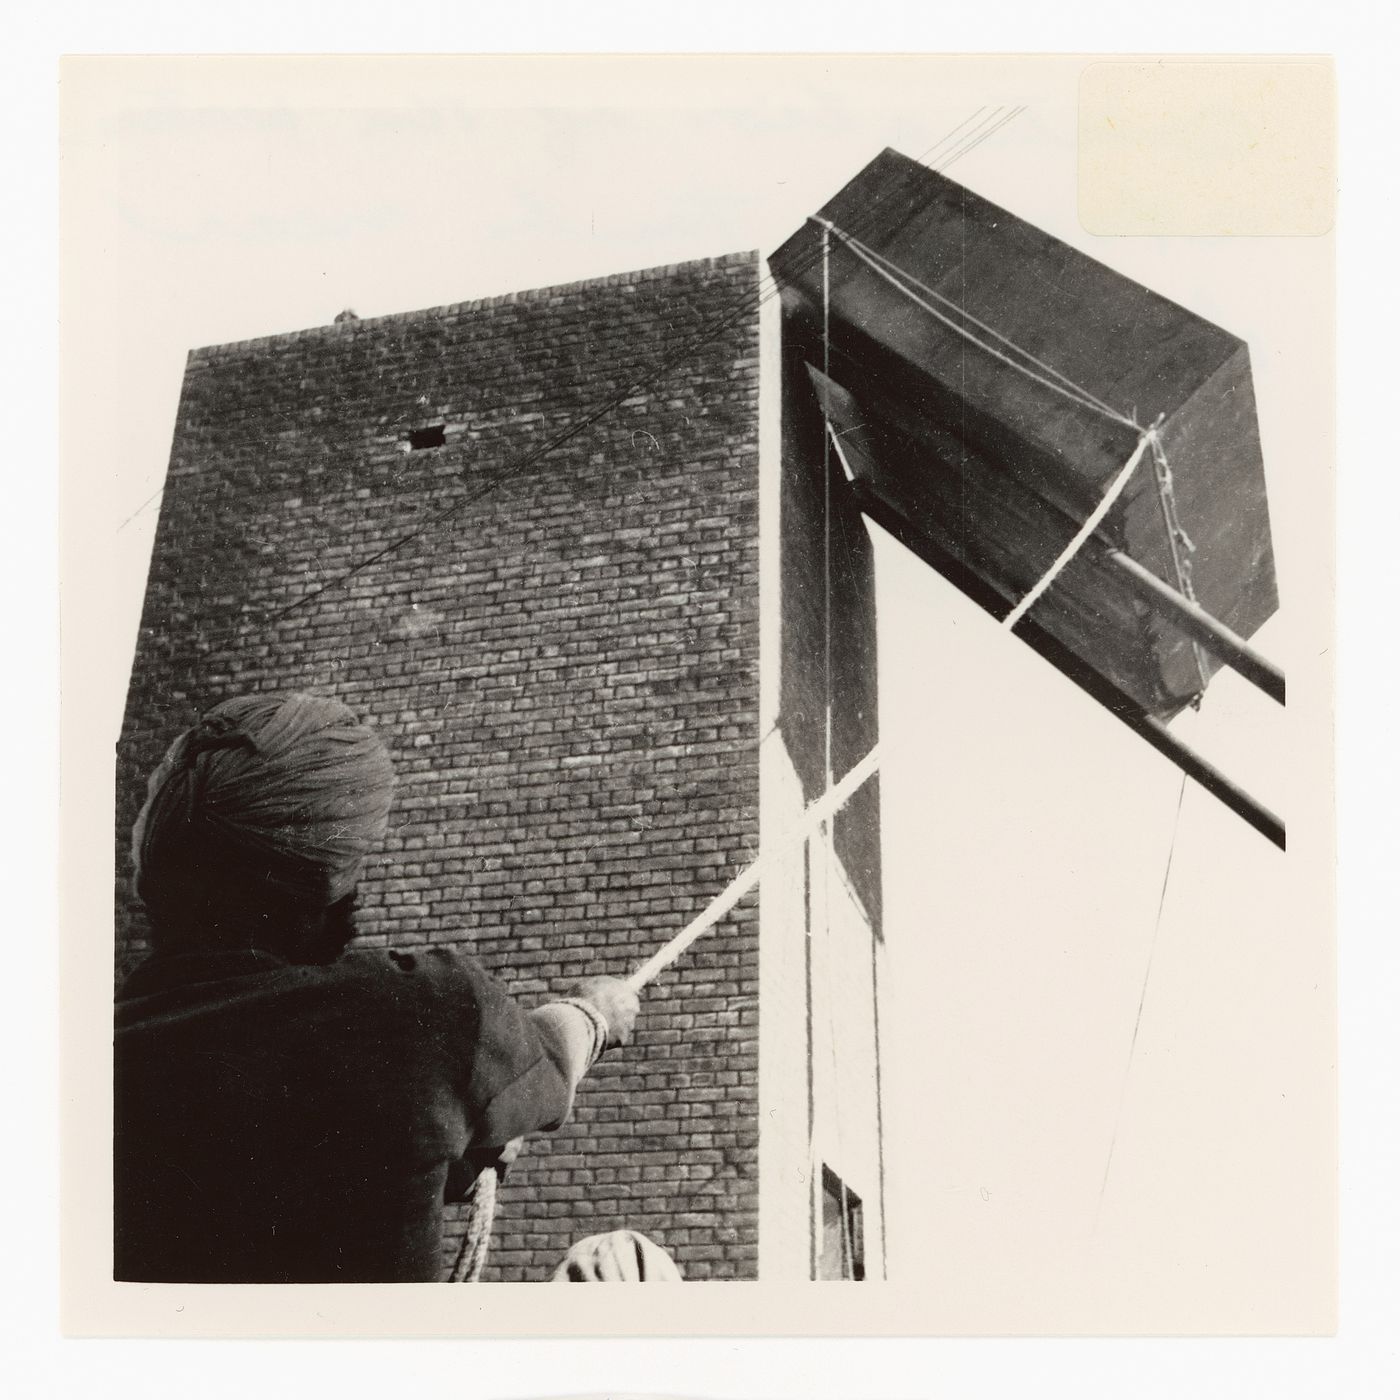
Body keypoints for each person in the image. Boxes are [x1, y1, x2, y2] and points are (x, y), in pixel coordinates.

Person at [114, 692, 640, 1283]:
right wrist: (599, 1013)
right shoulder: (417, 1016)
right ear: (326, 876)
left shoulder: (93, 1060)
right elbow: (550, 1055)